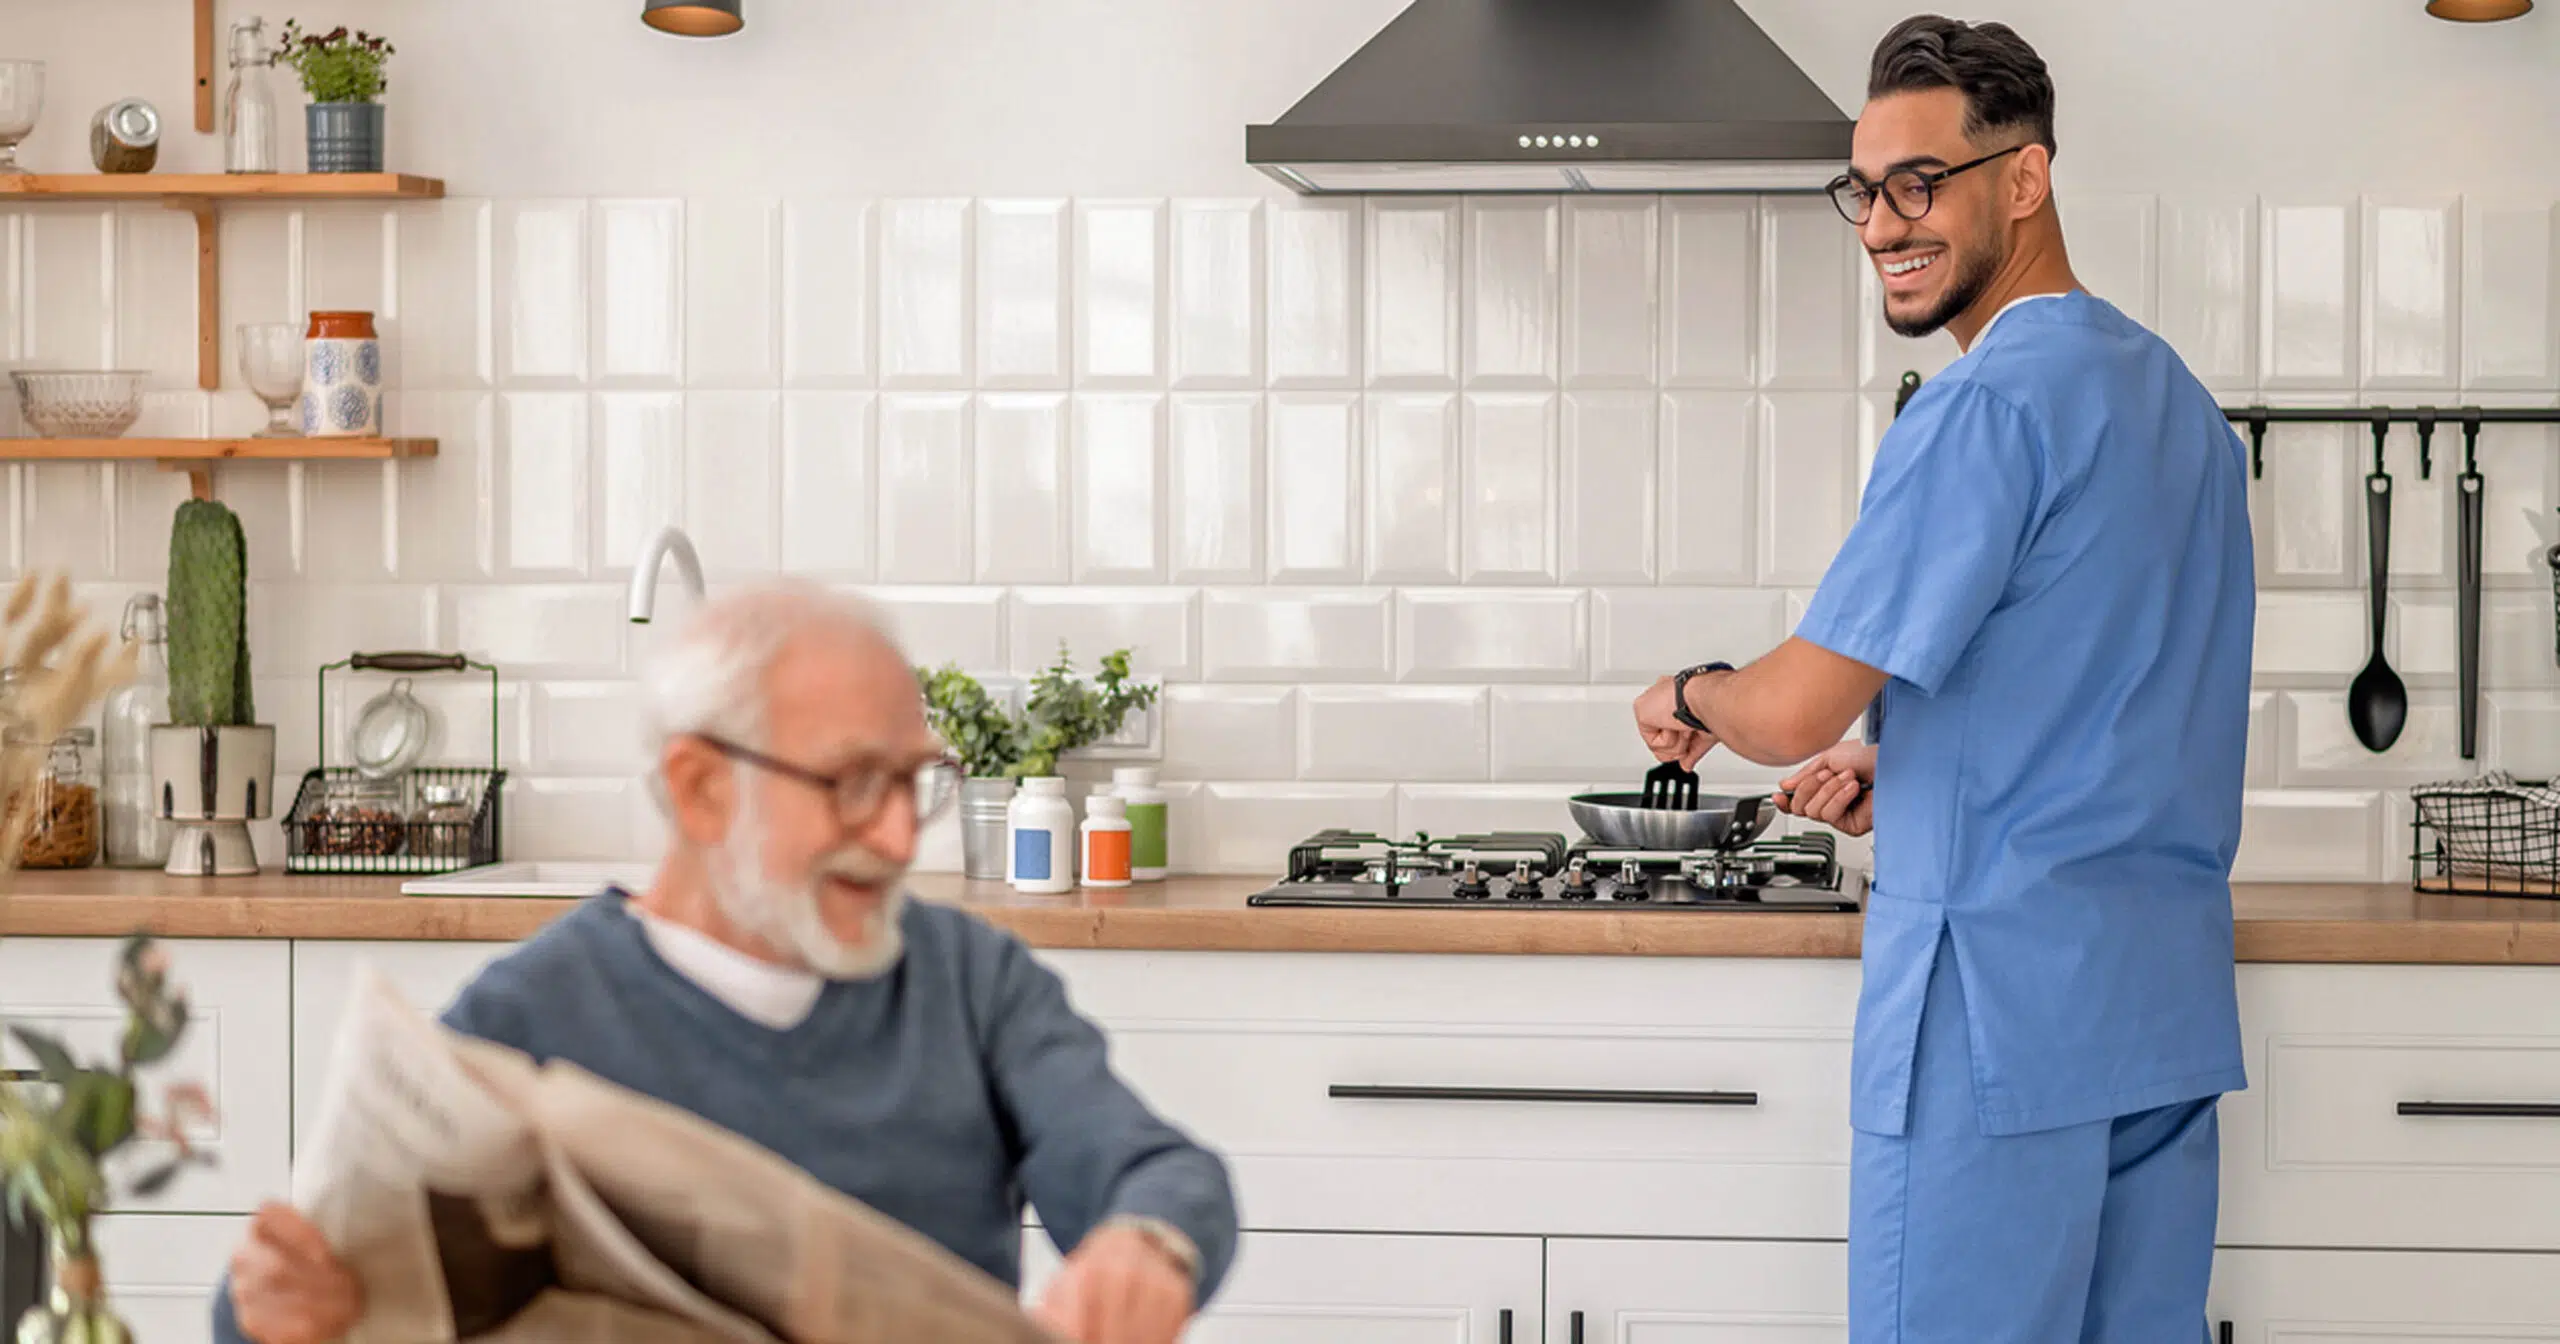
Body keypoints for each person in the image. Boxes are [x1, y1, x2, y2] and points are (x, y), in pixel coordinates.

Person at [1631, 15, 2253, 1343]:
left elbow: (1793, 702)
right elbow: (2104, 681)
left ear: (2023, 179)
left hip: (1995, 1027)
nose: (1880, 224)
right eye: (1863, 190)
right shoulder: (2182, 410)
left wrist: (1695, 691)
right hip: (2154, 1019)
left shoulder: (1982, 408)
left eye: (1919, 181)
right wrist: (1907, 761)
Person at [216, 581, 1239, 1344]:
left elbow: (1160, 1170)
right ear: (701, 790)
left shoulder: (968, 981)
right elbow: (266, 1296)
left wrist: (1145, 1243)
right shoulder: (535, 1007)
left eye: (912, 784)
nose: (894, 838)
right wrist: (278, 1306)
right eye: (849, 783)